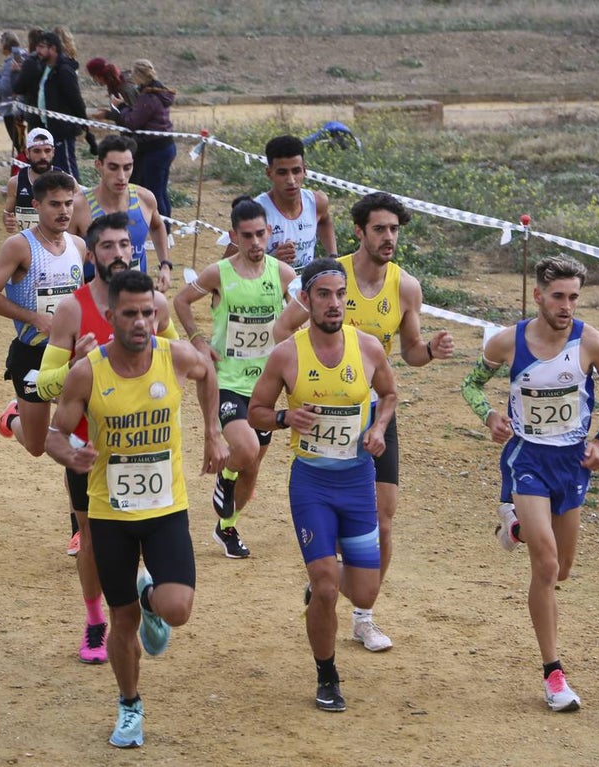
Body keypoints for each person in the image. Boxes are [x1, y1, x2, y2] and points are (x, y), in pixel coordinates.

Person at [45, 268, 227, 748]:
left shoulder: (175, 356)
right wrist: (70, 454)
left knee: (178, 608)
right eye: (130, 313)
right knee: (121, 621)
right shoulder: (89, 371)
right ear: (111, 316)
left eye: (149, 312)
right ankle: (130, 706)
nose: (142, 322)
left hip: (166, 507)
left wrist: (213, 431)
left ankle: (152, 598)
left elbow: (209, 371)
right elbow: (54, 431)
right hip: (110, 514)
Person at [274, 192, 455, 651]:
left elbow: (410, 353)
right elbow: (282, 330)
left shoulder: (405, 287)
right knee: (334, 520)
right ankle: (325, 582)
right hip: (324, 413)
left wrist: (430, 350)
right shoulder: (332, 279)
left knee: (385, 520)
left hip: (375, 413)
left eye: (395, 229)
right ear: (359, 231)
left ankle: (363, 617)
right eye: (380, 229)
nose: (389, 237)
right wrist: (304, 379)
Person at [460, 254, 599, 712]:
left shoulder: (591, 343)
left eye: (574, 297)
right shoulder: (507, 343)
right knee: (546, 564)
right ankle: (553, 675)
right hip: (527, 460)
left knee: (563, 570)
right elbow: (471, 386)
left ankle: (513, 528)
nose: (567, 306)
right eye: (558, 296)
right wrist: (491, 415)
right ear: (538, 295)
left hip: (571, 465)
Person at [247, 258, 397, 713]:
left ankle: (321, 591)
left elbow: (389, 394)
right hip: (311, 482)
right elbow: (255, 410)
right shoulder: (287, 354)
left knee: (364, 592)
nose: (334, 304)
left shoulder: (368, 348)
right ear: (307, 299)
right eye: (324, 295)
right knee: (329, 586)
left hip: (357, 481)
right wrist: (283, 417)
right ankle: (327, 674)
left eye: (340, 295)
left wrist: (378, 429)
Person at [33, 211, 180, 663]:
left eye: (125, 245)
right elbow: (43, 384)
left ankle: (150, 597)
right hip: (87, 449)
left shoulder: (153, 304)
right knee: (91, 539)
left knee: (153, 537)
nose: (119, 253)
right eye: (108, 246)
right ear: (92, 254)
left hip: (145, 448)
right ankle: (96, 620)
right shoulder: (73, 308)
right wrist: (75, 364)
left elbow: (178, 359)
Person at [173, 196, 297, 558]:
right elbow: (180, 301)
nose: (256, 242)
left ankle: (227, 528)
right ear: (234, 236)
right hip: (227, 381)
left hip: (266, 385)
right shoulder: (219, 273)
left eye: (261, 234)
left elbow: (300, 315)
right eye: (247, 236)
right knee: (245, 449)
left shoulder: (283, 275)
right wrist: (197, 339)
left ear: (269, 232)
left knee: (253, 467)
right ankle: (224, 479)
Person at [0, 171, 85, 458]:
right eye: (54, 204)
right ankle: (12, 417)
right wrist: (34, 318)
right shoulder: (19, 246)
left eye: (68, 203)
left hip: (70, 355)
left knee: (82, 437)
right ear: (37, 206)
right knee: (37, 447)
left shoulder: (78, 245)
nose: (63, 211)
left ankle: (79, 502)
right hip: (32, 352)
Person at [70, 134, 172, 292]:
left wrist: (165, 265)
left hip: (137, 296)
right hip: (96, 300)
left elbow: (157, 227)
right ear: (99, 165)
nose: (121, 176)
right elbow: (64, 257)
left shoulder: (145, 198)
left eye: (127, 167)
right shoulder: (78, 206)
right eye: (113, 167)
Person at [224, 134, 336, 269]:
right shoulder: (255, 213)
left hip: (304, 288)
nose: (291, 180)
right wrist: (271, 261)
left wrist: (333, 256)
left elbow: (324, 221)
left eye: (296, 171)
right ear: (269, 173)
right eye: (282, 173)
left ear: (304, 170)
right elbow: (226, 268)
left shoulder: (317, 202)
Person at [108, 59, 176, 222]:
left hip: (154, 149)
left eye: (132, 72)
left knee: (154, 193)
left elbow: (132, 122)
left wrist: (121, 107)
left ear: (139, 75)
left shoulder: (148, 97)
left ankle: (163, 232)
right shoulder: (158, 92)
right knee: (161, 191)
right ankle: (167, 232)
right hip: (166, 146)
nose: (130, 76)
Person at [14, 31, 86, 180]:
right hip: (49, 127)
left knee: (68, 172)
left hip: (63, 128)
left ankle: (77, 200)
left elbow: (76, 100)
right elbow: (21, 87)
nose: (37, 51)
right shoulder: (43, 68)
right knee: (54, 171)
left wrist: (84, 124)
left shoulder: (64, 70)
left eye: (41, 47)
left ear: (53, 49)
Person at [2, 127, 61, 232]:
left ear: (53, 152)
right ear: (27, 153)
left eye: (47, 151)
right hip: (26, 245)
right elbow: (7, 213)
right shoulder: (15, 183)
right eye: (37, 151)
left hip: (55, 245)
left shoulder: (65, 182)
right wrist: (8, 221)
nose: (43, 156)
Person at [0, 31, 26, 154]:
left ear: (5, 45)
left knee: (20, 145)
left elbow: (4, 89)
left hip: (10, 109)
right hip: (22, 106)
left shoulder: (10, 62)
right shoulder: (23, 56)